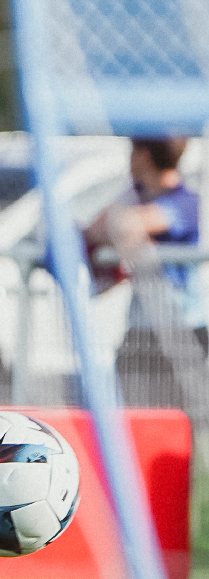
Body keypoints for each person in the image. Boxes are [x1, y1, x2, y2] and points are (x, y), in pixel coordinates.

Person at [84, 136, 206, 407]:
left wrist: (123, 229)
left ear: (144, 156)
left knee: (181, 423)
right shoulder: (135, 194)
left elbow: (126, 224)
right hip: (141, 329)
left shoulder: (186, 201)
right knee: (126, 418)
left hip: (184, 328)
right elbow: (95, 228)